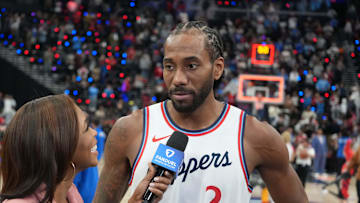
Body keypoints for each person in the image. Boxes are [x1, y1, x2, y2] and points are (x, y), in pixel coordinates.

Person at [94, 21, 308, 203]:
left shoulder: (256, 136)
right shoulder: (130, 130)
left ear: (217, 68)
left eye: (191, 66)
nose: (178, 78)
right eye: (169, 67)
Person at [0, 94, 172, 203]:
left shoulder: (70, 193)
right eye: (86, 127)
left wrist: (135, 200)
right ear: (62, 143)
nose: (94, 133)